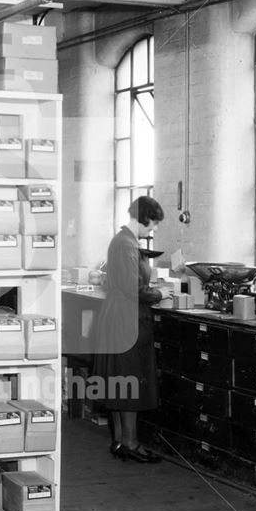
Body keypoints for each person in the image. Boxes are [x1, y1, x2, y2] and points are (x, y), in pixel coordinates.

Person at [91, 196, 171, 463]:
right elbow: (132, 288)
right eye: (154, 223)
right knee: (130, 380)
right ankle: (132, 443)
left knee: (120, 379)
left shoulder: (123, 241)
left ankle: (120, 441)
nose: (155, 229)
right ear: (144, 217)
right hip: (127, 317)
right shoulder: (126, 244)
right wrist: (160, 294)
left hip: (118, 314)